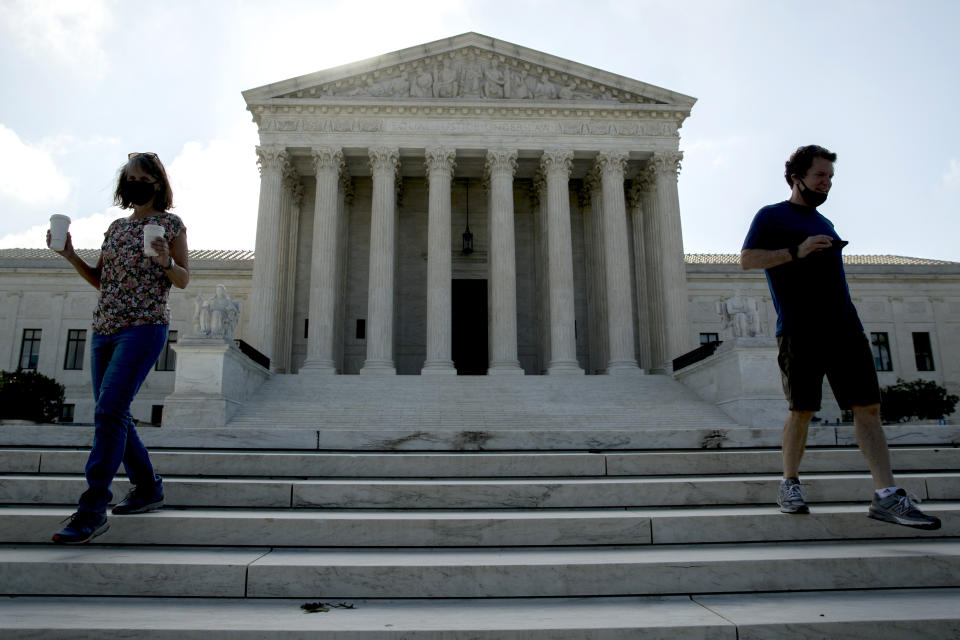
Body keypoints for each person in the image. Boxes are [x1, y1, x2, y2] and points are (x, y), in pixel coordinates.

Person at [740, 144, 940, 530]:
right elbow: (748, 259)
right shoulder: (771, 216)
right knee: (802, 409)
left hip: (845, 326)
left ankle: (886, 495)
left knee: (868, 407)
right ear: (797, 177)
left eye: (830, 178)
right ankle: (789, 484)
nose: (826, 183)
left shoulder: (826, 222)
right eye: (820, 176)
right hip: (800, 328)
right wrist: (797, 251)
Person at [47, 152, 190, 543]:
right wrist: (70, 254)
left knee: (109, 411)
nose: (134, 182)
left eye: (141, 177)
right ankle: (148, 488)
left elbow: (182, 280)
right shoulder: (115, 228)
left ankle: (92, 509)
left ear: (157, 183)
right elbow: (101, 280)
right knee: (115, 415)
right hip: (105, 328)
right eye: (129, 177)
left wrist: (163, 260)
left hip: (144, 327)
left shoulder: (171, 225)